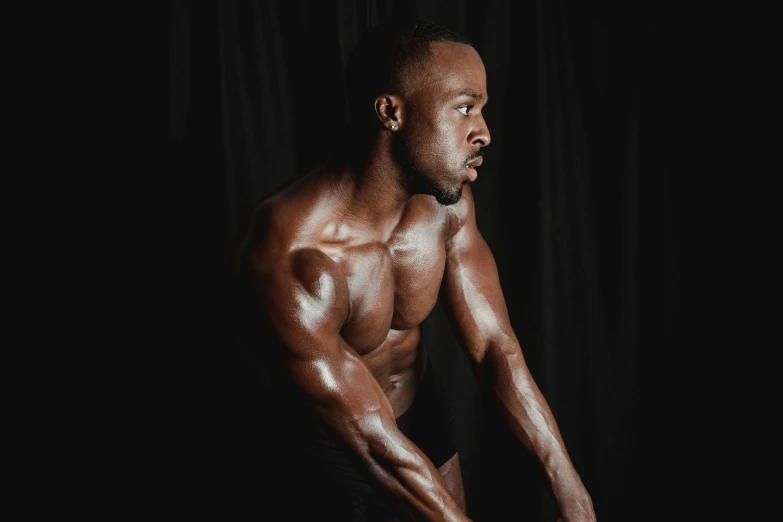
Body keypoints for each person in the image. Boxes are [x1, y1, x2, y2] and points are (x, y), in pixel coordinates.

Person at [227, 20, 596, 522]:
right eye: (465, 108)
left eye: (482, 110)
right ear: (391, 112)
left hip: (421, 412)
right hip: (328, 449)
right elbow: (372, 440)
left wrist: (572, 493)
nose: (483, 131)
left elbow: (494, 349)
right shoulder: (291, 254)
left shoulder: (446, 205)